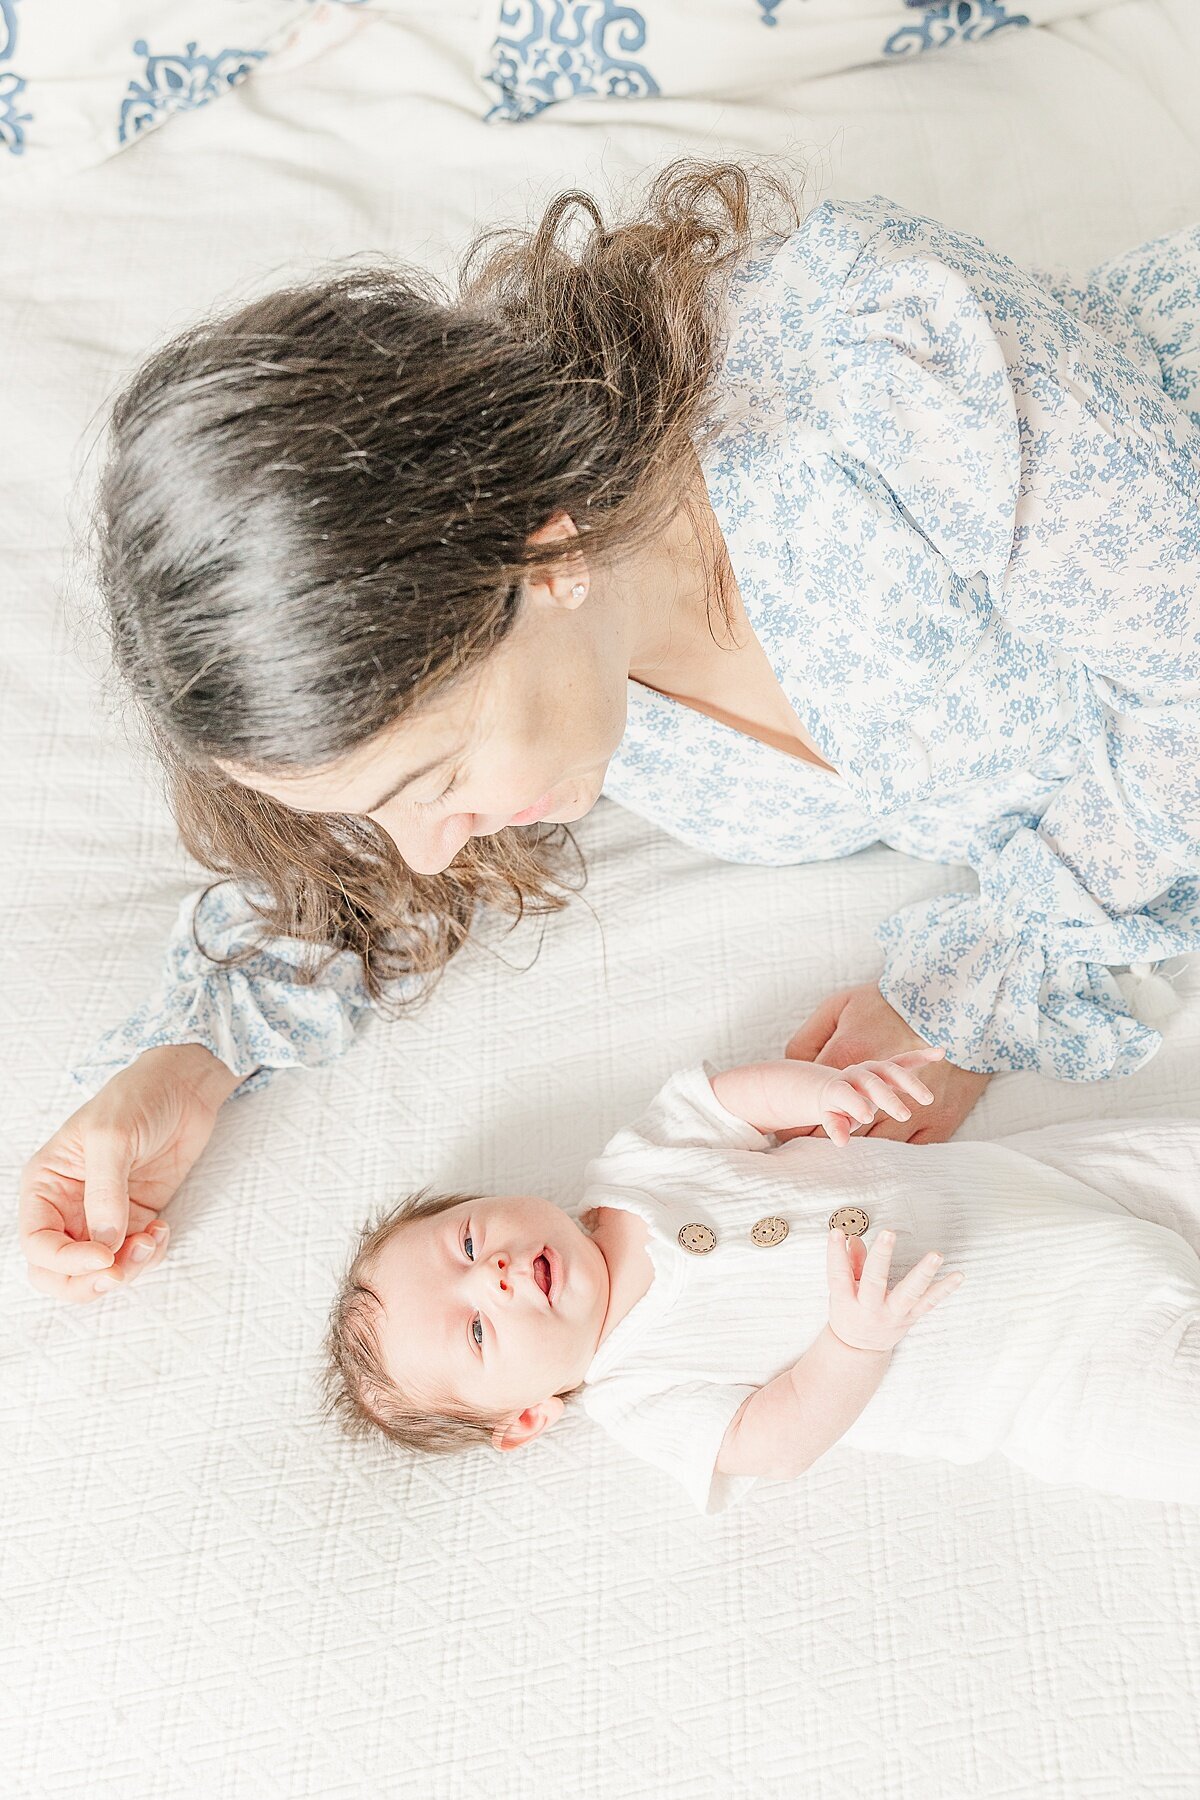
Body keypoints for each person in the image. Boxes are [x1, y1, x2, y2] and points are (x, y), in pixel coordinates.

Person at [19, 162, 1200, 1304]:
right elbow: (372, 873)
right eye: (378, 809)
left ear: (543, 557)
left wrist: (983, 988)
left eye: (430, 778)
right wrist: (192, 1057)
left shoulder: (879, 378)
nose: (429, 850)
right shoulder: (535, 665)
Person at [324, 1046, 1200, 1512]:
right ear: (526, 1417)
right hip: (1051, 1367)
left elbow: (721, 1100)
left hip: (1047, 1191)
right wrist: (850, 1345)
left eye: (469, 1242)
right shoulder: (639, 1395)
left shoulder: (634, 1167)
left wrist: (820, 1091)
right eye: (477, 1331)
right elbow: (774, 1441)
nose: (500, 1275)